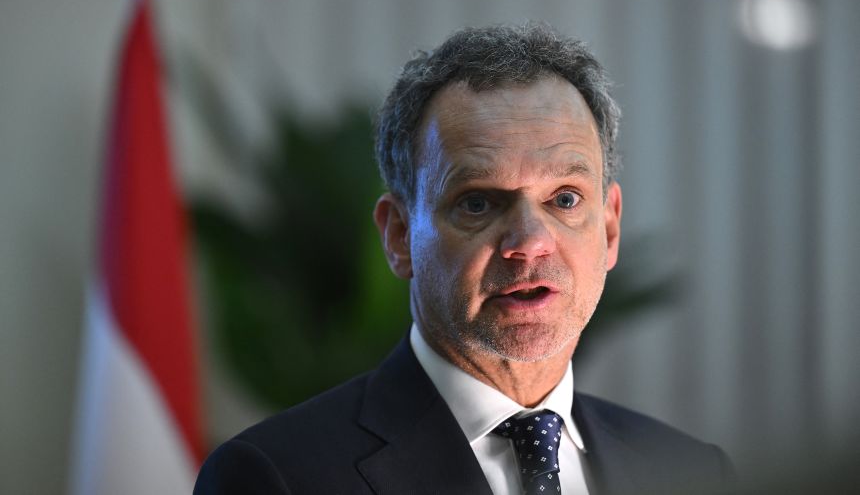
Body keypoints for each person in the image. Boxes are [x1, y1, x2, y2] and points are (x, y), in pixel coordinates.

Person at [194, 24, 734, 494]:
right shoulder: (274, 479)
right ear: (400, 235)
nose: (528, 241)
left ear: (610, 228)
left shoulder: (693, 472)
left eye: (564, 199)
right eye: (477, 202)